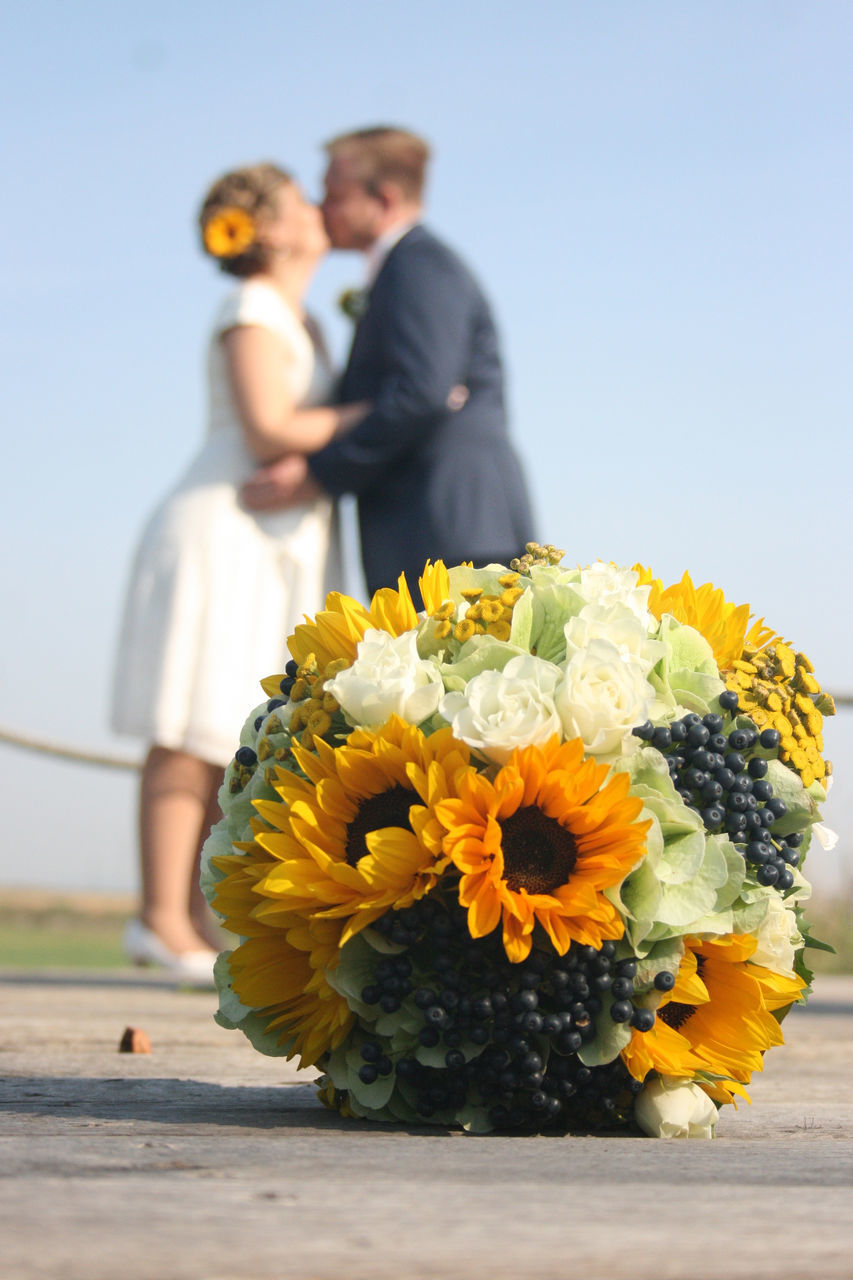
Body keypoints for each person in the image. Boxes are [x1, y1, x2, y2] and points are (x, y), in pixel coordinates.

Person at [111, 163, 366, 982]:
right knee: (186, 728)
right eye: (298, 201)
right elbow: (267, 428)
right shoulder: (250, 308)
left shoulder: (310, 323)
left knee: (229, 732)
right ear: (272, 228)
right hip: (222, 528)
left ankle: (191, 917)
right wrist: (380, 414)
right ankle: (158, 918)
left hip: (273, 542)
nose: (314, 210)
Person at [241, 126, 535, 604]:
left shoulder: (419, 267)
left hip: (451, 529)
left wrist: (319, 474)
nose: (321, 208)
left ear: (384, 199)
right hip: (434, 528)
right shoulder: (404, 269)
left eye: (334, 195)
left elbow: (422, 392)